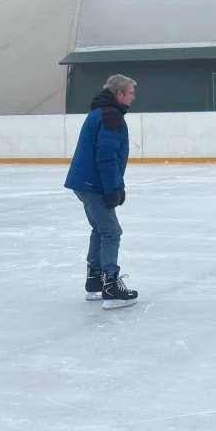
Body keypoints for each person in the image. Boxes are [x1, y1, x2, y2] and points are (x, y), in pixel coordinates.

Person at [64, 74, 139, 309]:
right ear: (119, 95)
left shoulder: (101, 112)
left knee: (100, 229)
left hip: (84, 182)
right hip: (93, 184)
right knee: (111, 232)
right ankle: (111, 286)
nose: (133, 97)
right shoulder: (111, 116)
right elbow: (106, 157)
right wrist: (112, 189)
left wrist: (118, 185)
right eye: (130, 93)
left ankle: (95, 281)